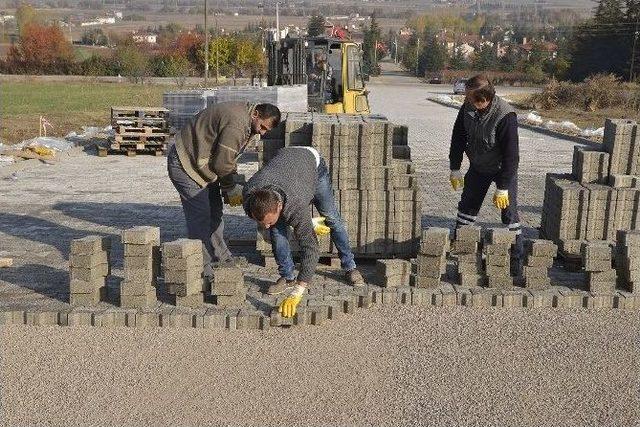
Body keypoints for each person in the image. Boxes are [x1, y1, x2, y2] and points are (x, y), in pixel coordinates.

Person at [242, 146, 365, 318]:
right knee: (277, 231)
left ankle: (350, 266)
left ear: (279, 206)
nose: (266, 227)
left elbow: (311, 248)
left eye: (269, 221)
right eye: (262, 222)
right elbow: (269, 219)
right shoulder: (250, 195)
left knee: (332, 219)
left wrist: (298, 292)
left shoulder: (295, 204)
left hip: (311, 164)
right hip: (286, 163)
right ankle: (287, 276)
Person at [167, 102, 281, 277]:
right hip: (185, 164)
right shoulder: (237, 123)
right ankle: (201, 269)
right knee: (201, 216)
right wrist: (229, 186)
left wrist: (233, 180)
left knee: (215, 211)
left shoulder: (246, 118)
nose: (262, 132)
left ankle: (221, 257)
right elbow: (221, 164)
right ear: (256, 114)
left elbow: (227, 157)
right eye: (263, 127)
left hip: (204, 164)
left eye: (266, 131)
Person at [448, 74, 523, 275]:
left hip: (502, 168)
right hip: (479, 166)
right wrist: (455, 167)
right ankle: (461, 252)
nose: (466, 100)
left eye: (469, 97)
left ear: (483, 99)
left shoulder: (506, 116)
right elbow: (458, 137)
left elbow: (511, 156)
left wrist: (503, 187)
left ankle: (516, 261)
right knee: (467, 208)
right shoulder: (468, 108)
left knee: (510, 215)